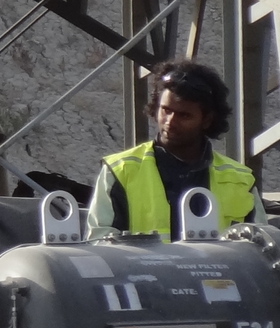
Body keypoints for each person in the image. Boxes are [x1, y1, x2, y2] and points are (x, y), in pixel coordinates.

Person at [87, 59, 264, 240]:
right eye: (166, 110)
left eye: (184, 115)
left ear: (207, 120)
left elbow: (260, 246)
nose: (170, 121)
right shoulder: (120, 171)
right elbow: (100, 242)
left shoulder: (241, 180)